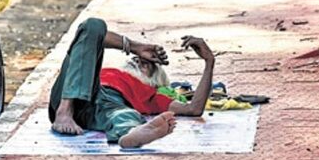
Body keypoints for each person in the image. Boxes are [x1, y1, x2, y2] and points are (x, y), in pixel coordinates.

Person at [49, 18, 216, 148]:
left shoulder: (151, 94)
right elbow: (95, 35)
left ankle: (132, 134)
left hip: (106, 107)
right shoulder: (104, 71)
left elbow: (194, 109)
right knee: (93, 25)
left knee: (125, 115)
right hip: (72, 91)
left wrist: (209, 61)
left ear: (154, 82)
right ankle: (64, 111)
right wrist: (136, 47)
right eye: (138, 59)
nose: (138, 61)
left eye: (146, 65)